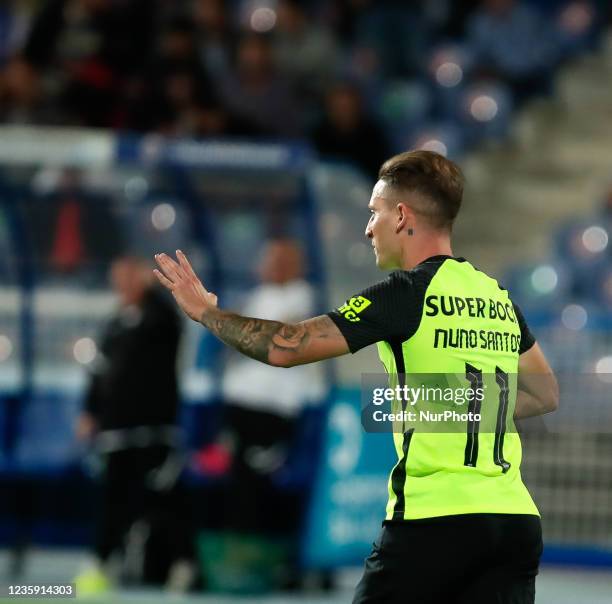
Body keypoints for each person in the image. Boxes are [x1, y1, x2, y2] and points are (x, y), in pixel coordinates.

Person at [154, 150, 559, 603]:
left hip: (434, 521)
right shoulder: (497, 298)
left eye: (375, 213)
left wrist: (208, 314)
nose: (368, 228)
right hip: (514, 520)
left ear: (402, 215)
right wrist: (453, 405)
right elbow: (545, 392)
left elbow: (286, 347)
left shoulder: (406, 294)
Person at [75, 256, 193, 595]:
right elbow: (98, 374)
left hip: (154, 431)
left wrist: (155, 287)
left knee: (164, 500)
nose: (123, 285)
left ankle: (183, 564)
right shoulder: (114, 324)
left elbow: (168, 326)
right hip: (116, 432)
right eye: (119, 279)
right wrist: (89, 411)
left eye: (130, 278)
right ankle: (100, 564)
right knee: (112, 499)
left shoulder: (161, 319)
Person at [220, 239, 325, 533]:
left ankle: (263, 545)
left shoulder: (304, 298)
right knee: (237, 480)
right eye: (265, 260)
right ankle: (238, 542)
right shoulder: (257, 296)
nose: (266, 267)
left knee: (259, 480)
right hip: (240, 404)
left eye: (276, 261)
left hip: (274, 409)